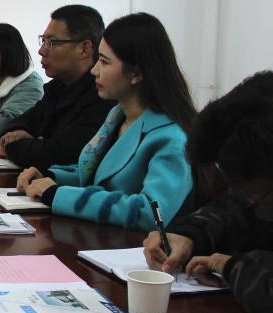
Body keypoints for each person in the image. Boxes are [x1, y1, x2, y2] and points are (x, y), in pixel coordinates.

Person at [144, 72, 273, 313]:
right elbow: (236, 209)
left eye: (254, 194)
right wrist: (190, 235)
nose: (248, 199)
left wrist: (233, 267)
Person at [17, 13, 195, 231]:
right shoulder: (117, 116)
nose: (94, 71)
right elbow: (93, 174)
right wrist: (50, 176)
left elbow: (151, 212)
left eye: (104, 62)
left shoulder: (171, 138)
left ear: (136, 73)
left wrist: (56, 194)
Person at [0, 4, 113, 169]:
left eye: (51, 43)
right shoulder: (56, 88)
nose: (41, 51)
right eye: (43, 40)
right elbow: (16, 124)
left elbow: (56, 155)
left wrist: (15, 146)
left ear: (84, 49)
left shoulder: (101, 96)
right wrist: (27, 140)